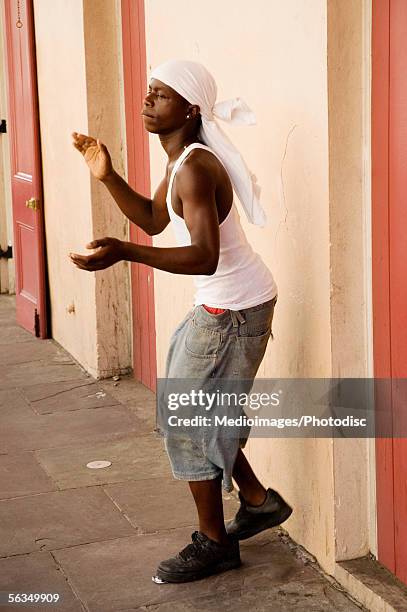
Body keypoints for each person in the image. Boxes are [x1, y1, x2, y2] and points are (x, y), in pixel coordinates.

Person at [70, 59, 292, 584]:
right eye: (148, 91)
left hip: (232, 310)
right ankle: (257, 501)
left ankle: (216, 544)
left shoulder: (193, 166)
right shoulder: (180, 160)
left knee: (187, 422)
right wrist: (107, 176)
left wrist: (125, 253)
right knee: (193, 410)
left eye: (161, 95)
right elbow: (152, 218)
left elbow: (204, 257)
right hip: (226, 305)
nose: (147, 100)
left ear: (190, 109)